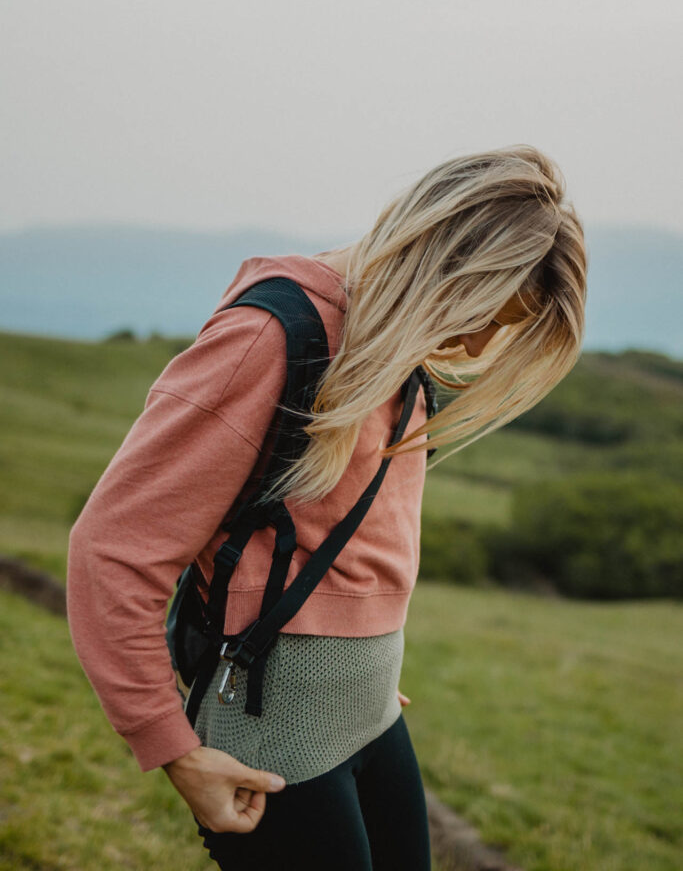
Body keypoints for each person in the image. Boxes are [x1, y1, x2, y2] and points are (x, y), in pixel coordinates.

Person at [66, 143, 587, 871]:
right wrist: (171, 747)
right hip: (273, 733)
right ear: (437, 262)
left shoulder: (394, 350)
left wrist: (361, 667)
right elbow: (113, 550)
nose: (476, 342)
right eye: (485, 314)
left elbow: (351, 536)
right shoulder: (272, 340)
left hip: (368, 716)